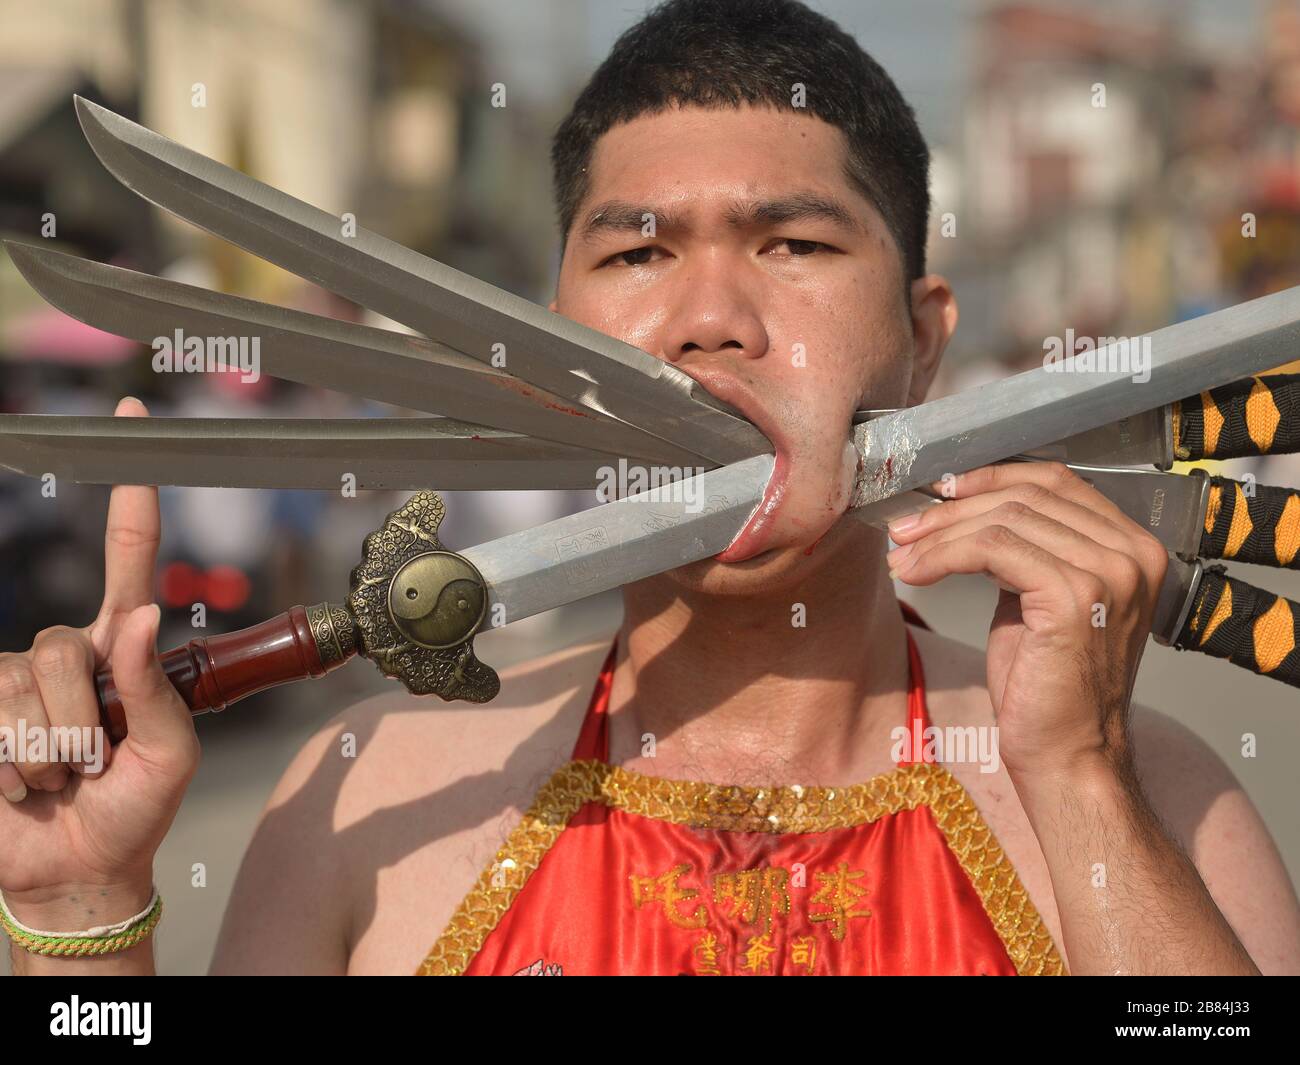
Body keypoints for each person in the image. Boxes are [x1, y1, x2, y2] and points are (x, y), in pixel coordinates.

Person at [3, 0, 1299, 976]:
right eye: (637, 252)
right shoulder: (367, 798)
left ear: (924, 338)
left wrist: (1077, 783)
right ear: (554, 344)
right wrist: (79, 916)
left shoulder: (1156, 794)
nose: (709, 319)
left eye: (793, 243)